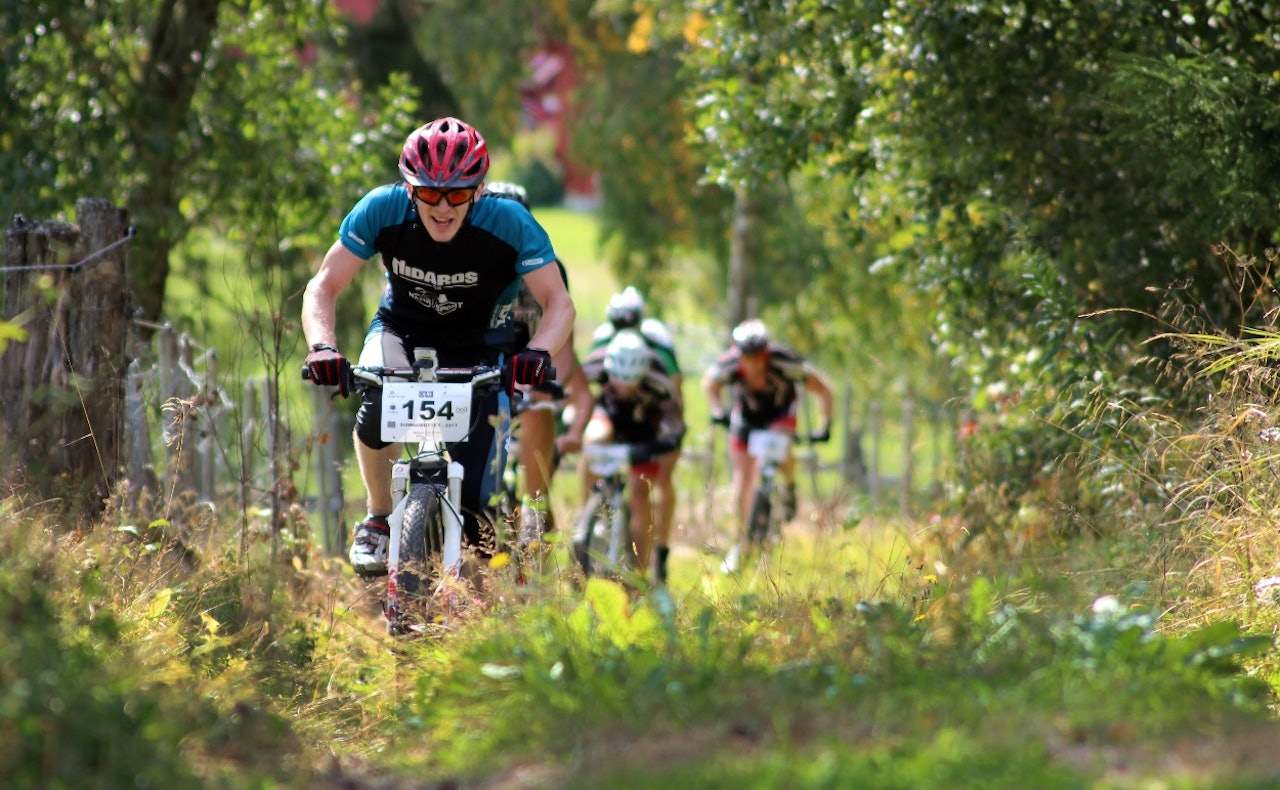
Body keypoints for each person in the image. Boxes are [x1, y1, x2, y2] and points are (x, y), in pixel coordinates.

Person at [301, 117, 574, 576]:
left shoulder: (509, 222)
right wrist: (322, 347)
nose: (443, 207)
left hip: (480, 347)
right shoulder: (381, 208)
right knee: (376, 408)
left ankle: (471, 601)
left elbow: (559, 303)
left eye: (457, 195)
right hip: (400, 333)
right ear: (409, 189)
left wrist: (537, 354)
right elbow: (323, 285)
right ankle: (378, 518)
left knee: (479, 516)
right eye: (429, 194)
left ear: (479, 190)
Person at [483, 181, 593, 540]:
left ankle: (534, 509)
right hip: (483, 360)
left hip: (531, 359)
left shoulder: (548, 266)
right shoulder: (469, 261)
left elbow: (564, 341)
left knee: (538, 408)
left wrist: (551, 384)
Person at [702, 318, 835, 573]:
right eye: (747, 357)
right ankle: (740, 543)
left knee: (780, 442)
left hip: (780, 414)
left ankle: (789, 484)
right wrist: (717, 410)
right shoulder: (730, 365)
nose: (753, 363)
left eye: (759, 356)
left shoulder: (785, 362)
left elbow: (824, 389)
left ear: (766, 352)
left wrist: (825, 425)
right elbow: (709, 384)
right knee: (742, 482)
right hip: (746, 418)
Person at [579, 329, 685, 583]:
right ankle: (587, 513)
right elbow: (573, 394)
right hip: (609, 418)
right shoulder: (594, 367)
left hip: (645, 432)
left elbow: (675, 424)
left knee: (640, 495)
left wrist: (666, 441)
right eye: (619, 382)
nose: (625, 390)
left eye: (632, 383)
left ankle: (639, 574)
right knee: (593, 441)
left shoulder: (660, 381)